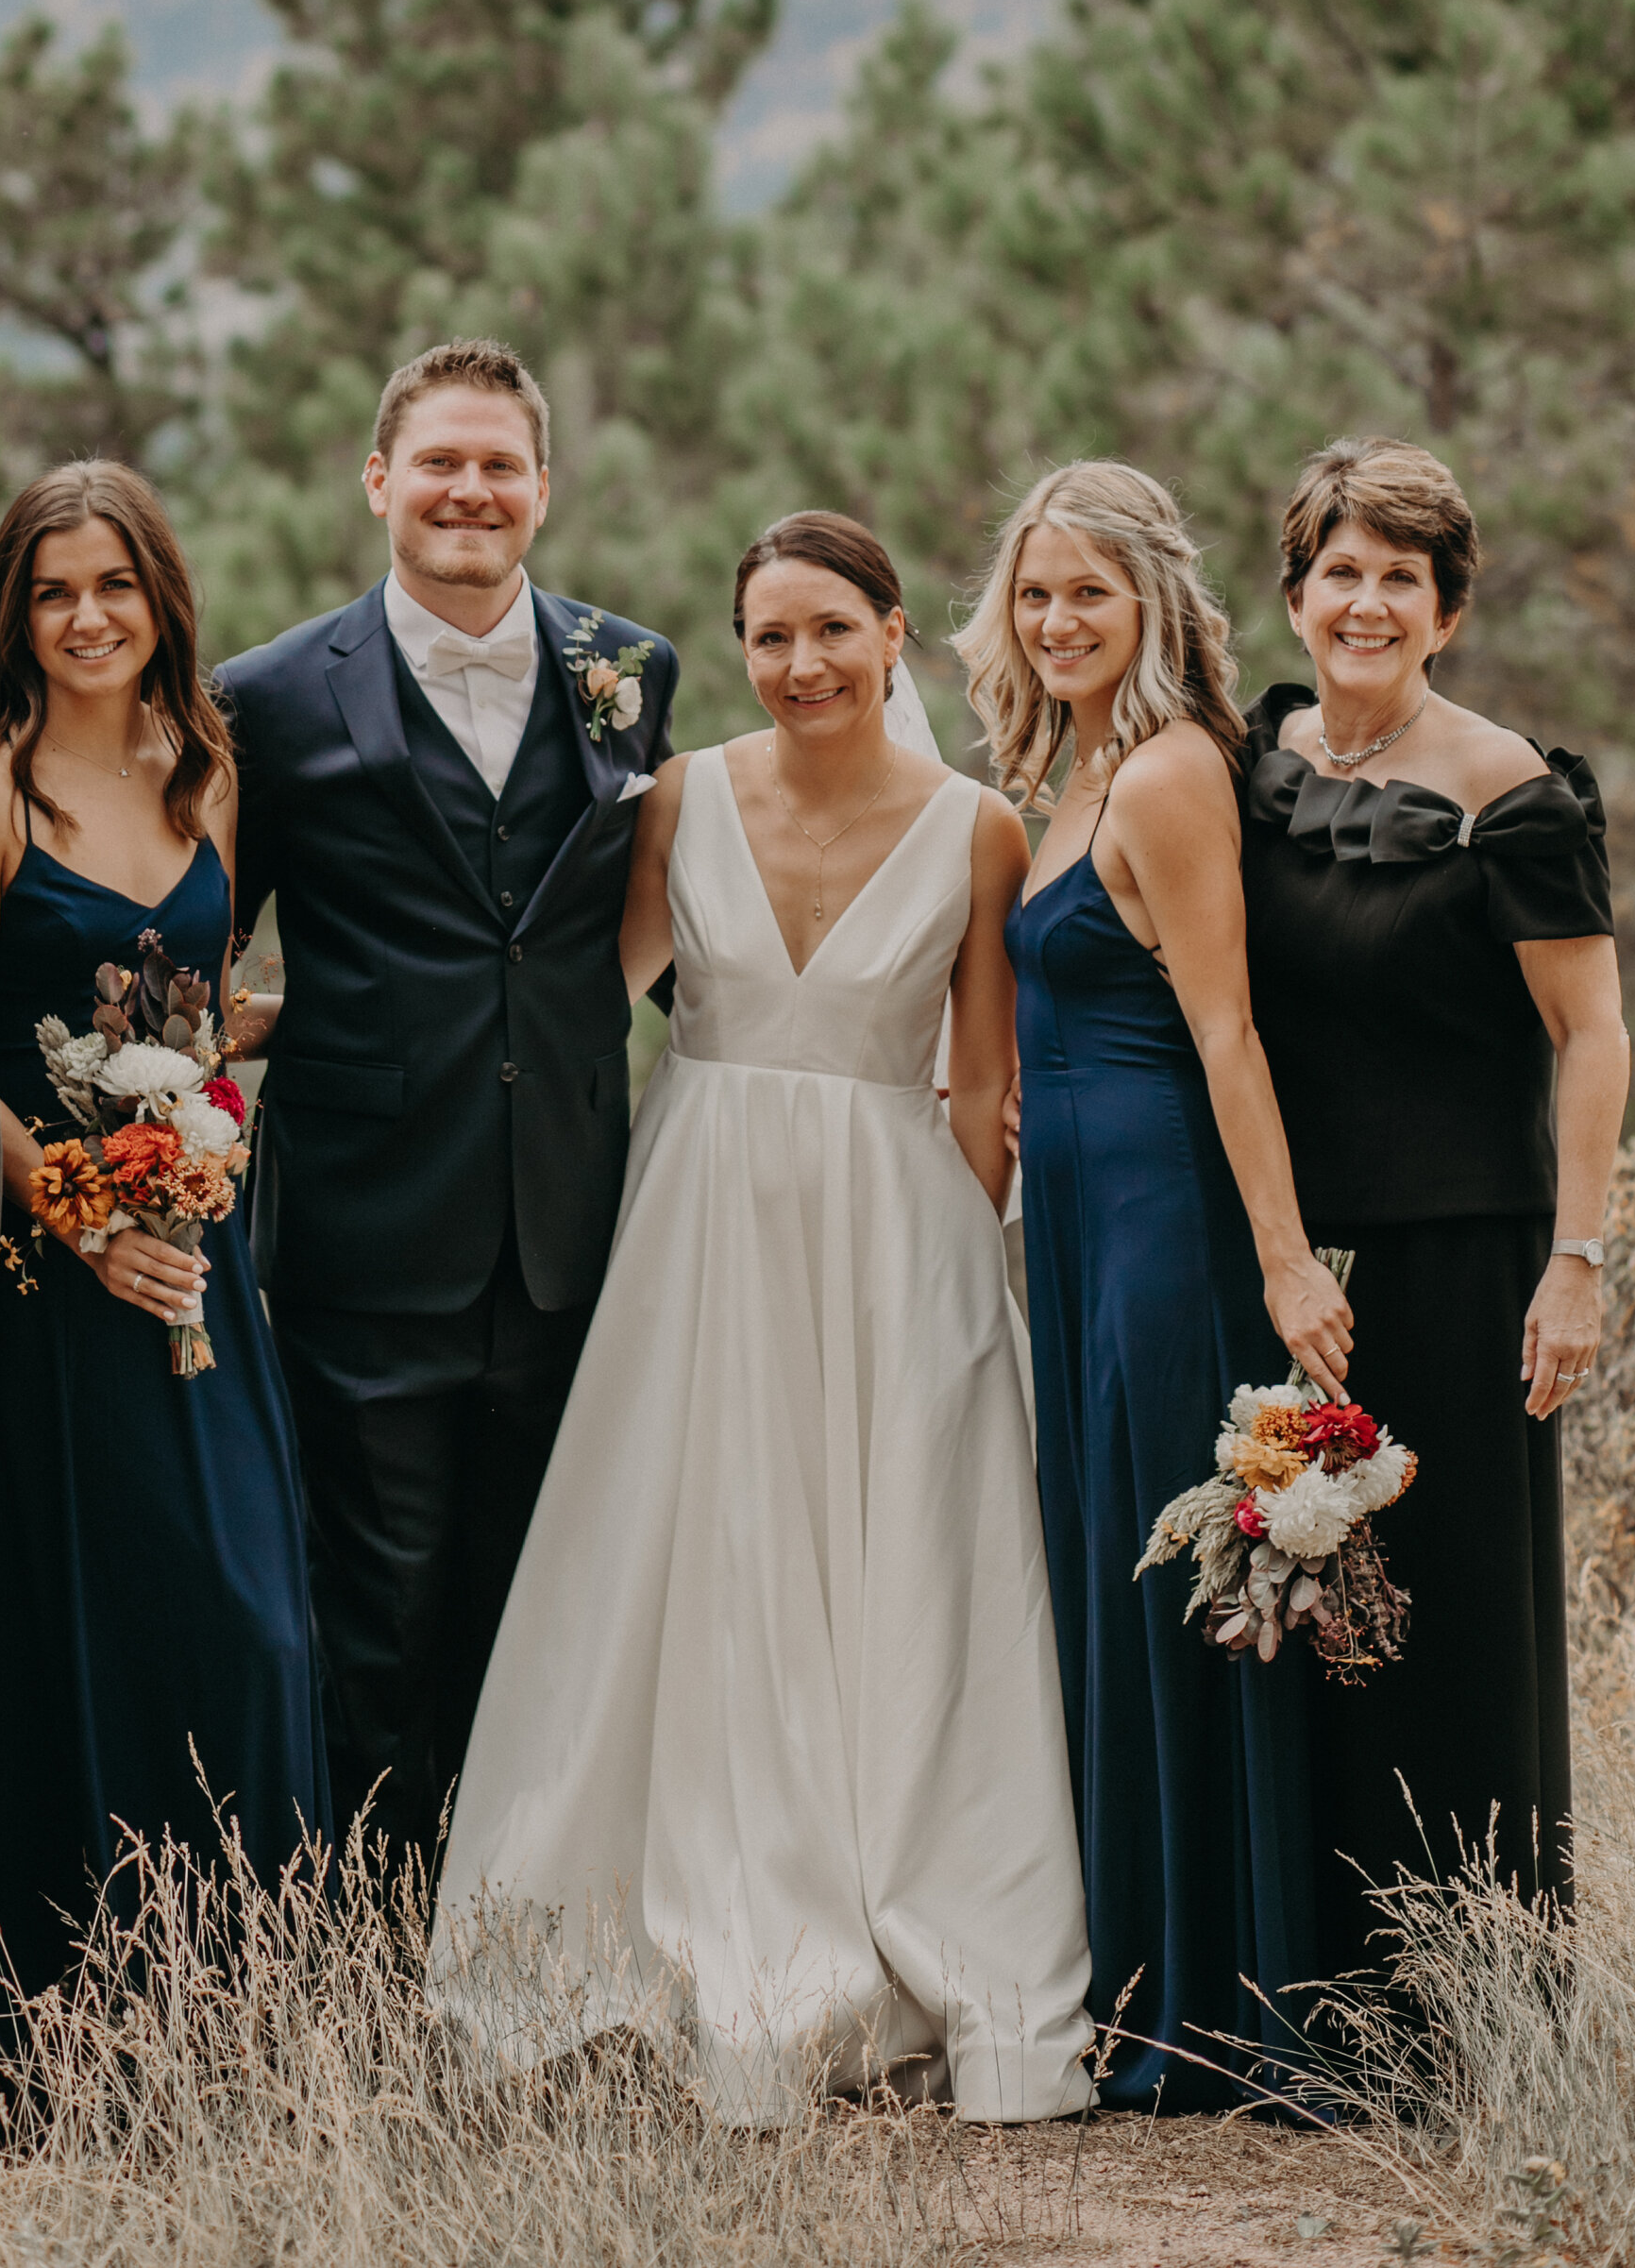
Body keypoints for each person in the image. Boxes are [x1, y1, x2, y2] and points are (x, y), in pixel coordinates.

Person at [435, 513, 1095, 2123]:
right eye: (771, 637)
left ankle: (925, 1914)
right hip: (705, 1218)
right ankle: (681, 1908)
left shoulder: (980, 830)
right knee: (696, 1546)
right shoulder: (681, 795)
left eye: (831, 631)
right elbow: (585, 997)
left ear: (894, 639)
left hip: (895, 1231)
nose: (800, 665)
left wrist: (984, 1287)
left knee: (902, 1564)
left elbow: (987, 1078)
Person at [0, 461, 329, 2115]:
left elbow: (201, 1001)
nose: (86, 618)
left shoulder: (206, 769)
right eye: (53, 591)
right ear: (13, 611)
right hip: (45, 1282)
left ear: (163, 600)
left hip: (198, 1256)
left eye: (115, 588)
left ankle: (232, 2019)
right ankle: (45, 2041)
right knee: (73, 1625)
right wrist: (79, 1209)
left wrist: (225, 1099)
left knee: (243, 1623)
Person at [216, 337, 677, 1867]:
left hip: (567, 1222)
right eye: (439, 462)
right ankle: (367, 1946)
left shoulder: (632, 669)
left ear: (543, 485)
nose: (469, 489)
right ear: (378, 483)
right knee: (374, 1608)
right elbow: (204, 948)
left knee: (545, 1597)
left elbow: (667, 915)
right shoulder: (269, 697)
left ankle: (519, 1941)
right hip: (362, 1226)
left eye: (499, 464)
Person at [965, 461, 1350, 2111]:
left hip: (1161, 1232)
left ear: (1154, 606)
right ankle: (1147, 1972)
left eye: (1089, 596)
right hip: (1077, 1217)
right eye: (1036, 594)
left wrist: (1278, 1259)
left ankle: (1228, 1992)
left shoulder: (1174, 770)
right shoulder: (1071, 771)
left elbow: (1226, 1029)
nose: (1058, 622)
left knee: (1180, 1577)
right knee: (1118, 1567)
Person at [1239, 436, 1626, 1978]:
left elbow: (1593, 1032)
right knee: (1287, 1598)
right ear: (1295, 594)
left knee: (1451, 1618)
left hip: (1467, 1258)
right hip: (1281, 1265)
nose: (1369, 600)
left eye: (1403, 576)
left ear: (1448, 609)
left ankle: (1474, 1987)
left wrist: (1576, 1262)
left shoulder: (1510, 791)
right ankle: (1313, 1980)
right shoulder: (1253, 762)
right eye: (1343, 569)